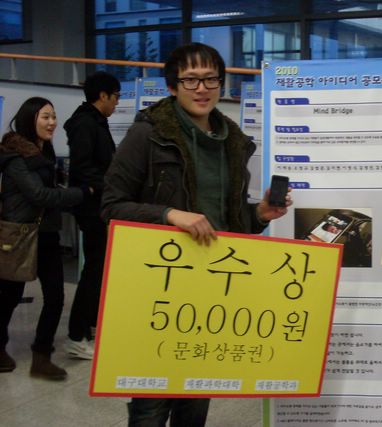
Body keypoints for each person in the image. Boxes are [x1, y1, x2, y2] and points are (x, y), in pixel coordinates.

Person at [101, 43, 291, 426]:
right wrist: (170, 215)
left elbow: (229, 223)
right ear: (173, 86)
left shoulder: (232, 141)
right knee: (151, 405)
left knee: (195, 400)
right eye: (190, 80)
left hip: (212, 290)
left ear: (221, 83)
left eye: (210, 79)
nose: (201, 88)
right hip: (159, 287)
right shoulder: (148, 134)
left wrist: (259, 215)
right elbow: (111, 207)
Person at [0, 97, 91, 380]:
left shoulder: (44, 152)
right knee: (9, 297)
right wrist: (82, 193)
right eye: (45, 117)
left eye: (53, 117)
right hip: (20, 235)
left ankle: (41, 356)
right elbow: (39, 195)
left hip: (46, 234)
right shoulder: (16, 156)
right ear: (30, 119)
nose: (52, 122)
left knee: (55, 297)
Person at [64, 71, 120, 360]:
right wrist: (110, 186)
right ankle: (76, 336)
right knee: (93, 270)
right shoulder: (86, 124)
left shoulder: (96, 121)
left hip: (101, 204)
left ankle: (92, 325)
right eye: (116, 97)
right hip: (92, 207)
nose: (117, 102)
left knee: (99, 268)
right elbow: (83, 168)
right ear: (103, 96)